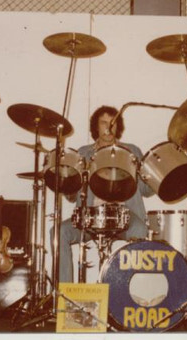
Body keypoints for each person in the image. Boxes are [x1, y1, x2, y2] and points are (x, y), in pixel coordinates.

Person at [53, 105, 154, 283]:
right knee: (59, 232)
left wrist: (160, 178)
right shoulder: (83, 153)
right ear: (96, 127)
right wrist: (65, 181)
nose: (109, 127)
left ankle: (128, 292)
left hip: (124, 216)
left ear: (118, 126)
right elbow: (72, 196)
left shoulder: (131, 151)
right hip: (90, 217)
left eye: (113, 123)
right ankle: (64, 293)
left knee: (141, 230)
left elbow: (146, 190)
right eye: (103, 122)